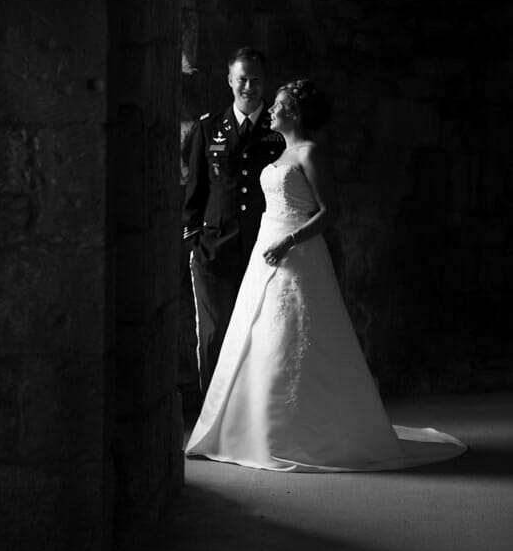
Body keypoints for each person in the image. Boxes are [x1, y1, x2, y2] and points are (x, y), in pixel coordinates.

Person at [186, 79, 466, 471]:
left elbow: (330, 211)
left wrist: (290, 241)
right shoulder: (281, 151)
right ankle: (244, 428)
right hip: (265, 249)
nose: (270, 110)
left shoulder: (310, 152)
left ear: (294, 113)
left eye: (278, 105)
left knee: (290, 335)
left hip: (295, 251)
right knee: (255, 333)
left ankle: (287, 432)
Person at [183, 47, 285, 397]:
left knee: (262, 334)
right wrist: (194, 238)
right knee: (214, 335)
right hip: (214, 247)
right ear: (230, 80)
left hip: (263, 247)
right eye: (242, 79)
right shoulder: (209, 127)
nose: (249, 87)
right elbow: (194, 189)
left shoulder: (279, 130)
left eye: (256, 80)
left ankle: (252, 415)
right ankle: (213, 418)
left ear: (264, 82)